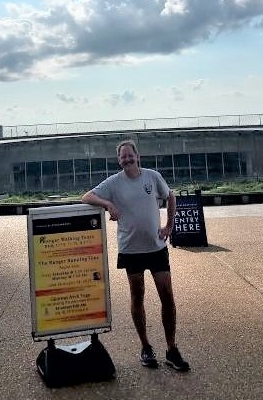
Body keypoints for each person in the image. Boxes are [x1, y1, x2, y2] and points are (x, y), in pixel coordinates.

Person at [81, 139, 190, 372]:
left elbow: (170, 196)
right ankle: (146, 347)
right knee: (137, 297)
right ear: (118, 160)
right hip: (131, 250)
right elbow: (87, 197)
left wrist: (169, 226)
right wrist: (108, 203)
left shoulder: (152, 176)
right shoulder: (114, 182)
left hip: (156, 248)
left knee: (167, 296)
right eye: (123, 157)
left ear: (137, 156)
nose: (127, 159)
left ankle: (171, 349)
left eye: (130, 155)